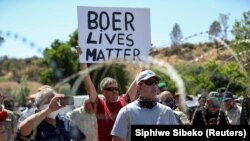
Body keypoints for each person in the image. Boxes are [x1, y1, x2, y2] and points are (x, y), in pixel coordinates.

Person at [111, 70, 178, 141]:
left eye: (155, 83)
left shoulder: (167, 111)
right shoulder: (126, 111)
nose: (154, 86)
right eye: (150, 82)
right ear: (139, 87)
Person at [16, 86, 87, 141]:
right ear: (38, 106)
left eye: (55, 101)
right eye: (48, 102)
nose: (53, 105)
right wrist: (49, 109)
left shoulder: (65, 119)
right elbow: (23, 131)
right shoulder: (32, 117)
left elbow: (82, 138)